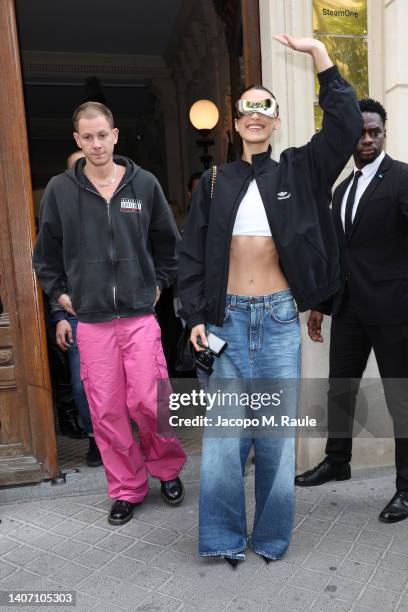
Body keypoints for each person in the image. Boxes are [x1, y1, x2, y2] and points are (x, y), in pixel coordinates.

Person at [178, 33, 362, 566]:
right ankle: (222, 538)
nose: (255, 117)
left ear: (275, 121)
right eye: (247, 110)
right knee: (224, 442)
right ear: (236, 123)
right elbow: (190, 258)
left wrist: (319, 55)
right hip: (226, 323)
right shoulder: (213, 182)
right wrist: (193, 315)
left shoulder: (300, 171)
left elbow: (347, 126)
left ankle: (272, 540)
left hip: (280, 319)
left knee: (277, 442)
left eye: (265, 109)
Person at [33, 101, 186, 525]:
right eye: (88, 137)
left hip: (138, 318)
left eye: (103, 135)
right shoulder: (61, 191)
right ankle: (126, 488)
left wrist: (156, 286)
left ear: (115, 135)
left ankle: (167, 469)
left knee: (150, 402)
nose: (96, 144)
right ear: (77, 141)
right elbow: (45, 257)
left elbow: (170, 249)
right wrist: (62, 298)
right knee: (108, 411)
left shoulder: (145, 184)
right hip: (93, 323)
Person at [295, 98, 408, 523]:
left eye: (374, 131)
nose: (366, 138)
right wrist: (321, 306)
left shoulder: (401, 179)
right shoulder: (342, 189)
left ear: (384, 133)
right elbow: (337, 254)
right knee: (339, 388)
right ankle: (337, 460)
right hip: (350, 310)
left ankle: (406, 487)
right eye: (360, 132)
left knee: (401, 400)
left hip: (395, 311)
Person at [49, 150, 102, 467]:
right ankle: (96, 439)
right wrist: (59, 316)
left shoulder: (122, 203)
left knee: (141, 386)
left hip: (124, 315)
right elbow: (50, 267)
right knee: (83, 386)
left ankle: (150, 444)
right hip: (78, 316)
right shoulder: (61, 215)